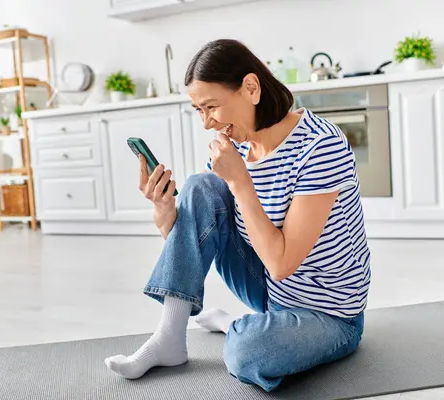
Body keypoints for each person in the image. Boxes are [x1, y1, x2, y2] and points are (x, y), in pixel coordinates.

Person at [104, 39, 370, 392]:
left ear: (251, 87)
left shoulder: (320, 147)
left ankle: (235, 325)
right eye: (198, 110)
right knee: (200, 186)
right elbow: (189, 246)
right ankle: (169, 337)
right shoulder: (236, 148)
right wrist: (164, 210)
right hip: (270, 290)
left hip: (330, 314)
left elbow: (281, 263)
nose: (206, 123)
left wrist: (240, 180)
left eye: (211, 106)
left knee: (246, 354)